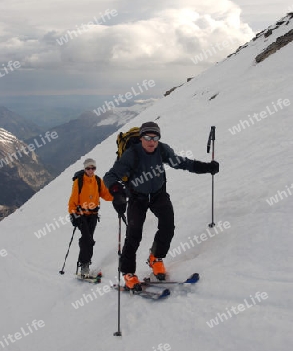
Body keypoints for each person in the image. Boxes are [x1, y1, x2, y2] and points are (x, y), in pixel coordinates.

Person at [103, 121, 219, 291]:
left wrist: (207, 167)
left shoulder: (162, 150)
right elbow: (110, 176)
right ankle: (128, 273)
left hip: (158, 194)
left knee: (168, 226)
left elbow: (182, 163)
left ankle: (156, 258)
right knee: (134, 235)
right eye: (148, 137)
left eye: (155, 137)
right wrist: (117, 192)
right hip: (137, 197)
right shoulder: (131, 154)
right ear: (141, 138)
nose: (152, 142)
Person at [68, 158, 113, 278]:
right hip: (81, 215)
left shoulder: (98, 181)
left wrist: (118, 195)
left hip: (93, 215)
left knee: (88, 239)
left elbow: (105, 194)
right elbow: (73, 199)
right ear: (84, 169)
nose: (90, 170)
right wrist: (73, 214)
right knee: (88, 240)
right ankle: (84, 265)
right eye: (88, 168)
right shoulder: (79, 181)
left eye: (93, 168)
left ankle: (84, 263)